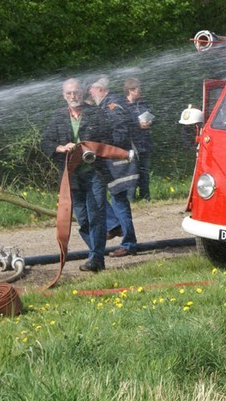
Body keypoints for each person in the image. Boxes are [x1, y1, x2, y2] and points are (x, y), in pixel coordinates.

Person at [40, 78, 114, 272]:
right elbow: (45, 142)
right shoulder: (58, 117)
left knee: (96, 215)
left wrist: (89, 148)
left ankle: (96, 258)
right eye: (69, 93)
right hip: (71, 177)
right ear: (63, 96)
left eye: (76, 93)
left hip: (95, 173)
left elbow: (108, 139)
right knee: (82, 218)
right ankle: (96, 253)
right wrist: (61, 147)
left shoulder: (95, 114)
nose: (73, 96)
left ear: (82, 93)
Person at [88, 76, 139, 257]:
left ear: (100, 89)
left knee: (119, 202)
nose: (89, 93)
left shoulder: (112, 106)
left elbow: (121, 135)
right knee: (98, 196)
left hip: (119, 164)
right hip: (112, 164)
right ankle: (115, 226)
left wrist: (102, 145)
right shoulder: (106, 105)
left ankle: (129, 243)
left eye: (91, 89)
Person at [122, 78, 153, 202]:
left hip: (145, 143)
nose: (141, 90)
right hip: (130, 144)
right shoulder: (123, 105)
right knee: (132, 171)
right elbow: (122, 122)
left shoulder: (144, 104)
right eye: (138, 88)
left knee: (144, 172)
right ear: (131, 90)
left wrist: (150, 121)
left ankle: (145, 197)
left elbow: (152, 115)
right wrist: (137, 124)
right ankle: (131, 198)